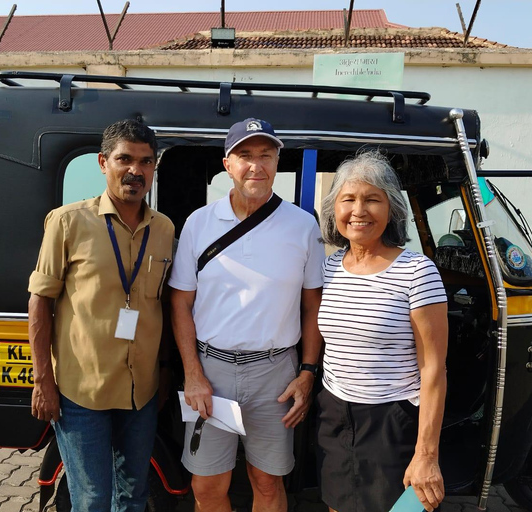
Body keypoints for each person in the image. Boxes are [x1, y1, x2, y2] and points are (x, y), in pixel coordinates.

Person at [169, 118, 326, 512]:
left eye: (265, 155)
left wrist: (307, 373)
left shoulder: (303, 226)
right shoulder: (198, 224)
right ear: (227, 163)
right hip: (211, 371)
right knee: (206, 485)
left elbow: (313, 306)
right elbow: (180, 304)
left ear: (277, 162)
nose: (256, 166)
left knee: (268, 483)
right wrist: (192, 373)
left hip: (276, 374)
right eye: (245, 156)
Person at [27, 119, 175, 512]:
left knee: (134, 496)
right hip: (81, 392)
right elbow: (40, 301)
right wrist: (43, 380)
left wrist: (162, 372)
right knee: (91, 499)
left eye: (145, 162)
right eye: (124, 159)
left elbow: (160, 305)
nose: (135, 170)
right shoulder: (68, 222)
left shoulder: (164, 230)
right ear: (102, 162)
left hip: (140, 391)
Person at [316, 152, 448, 512]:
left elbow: (433, 370)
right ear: (334, 209)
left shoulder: (417, 272)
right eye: (349, 199)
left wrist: (426, 454)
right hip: (336, 413)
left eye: (373, 199)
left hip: (393, 419)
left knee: (403, 508)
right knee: (339, 505)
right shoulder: (329, 269)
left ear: (392, 209)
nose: (359, 210)